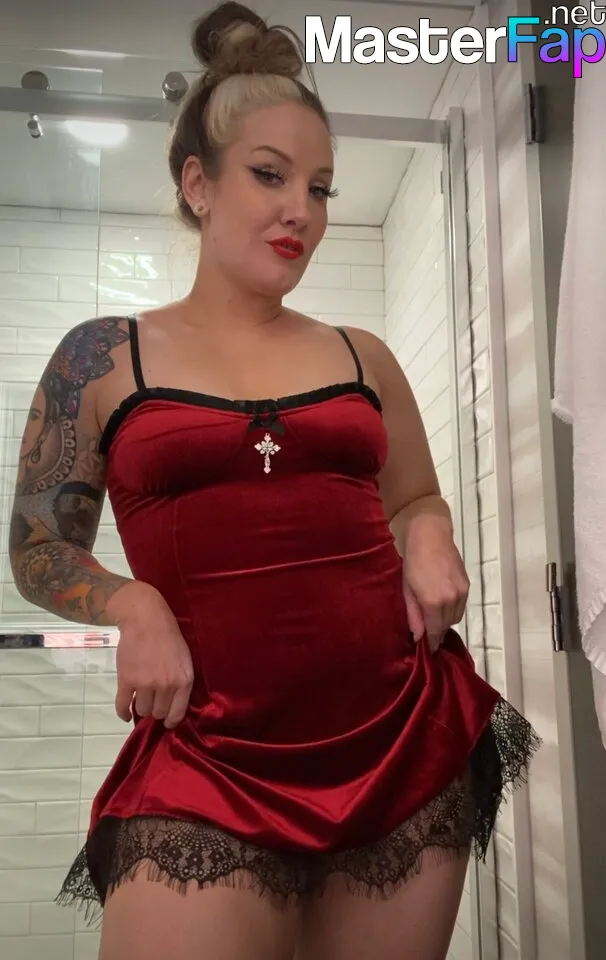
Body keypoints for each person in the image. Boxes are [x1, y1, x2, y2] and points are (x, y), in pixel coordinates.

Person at [8, 4, 539, 958]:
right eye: (270, 174)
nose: (303, 209)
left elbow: (416, 496)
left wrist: (429, 536)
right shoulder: (102, 357)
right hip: (208, 758)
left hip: (398, 741)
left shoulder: (361, 354)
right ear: (198, 183)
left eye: (321, 187)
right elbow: (39, 548)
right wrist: (132, 603)